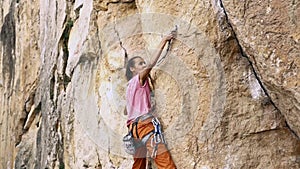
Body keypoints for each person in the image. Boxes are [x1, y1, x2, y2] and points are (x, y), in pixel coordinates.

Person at [125, 33, 177, 169]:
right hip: (145, 126)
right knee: (164, 163)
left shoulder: (129, 86)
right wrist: (164, 41)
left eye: (143, 62)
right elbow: (151, 64)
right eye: (140, 64)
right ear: (132, 69)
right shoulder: (138, 80)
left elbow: (127, 110)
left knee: (138, 166)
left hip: (133, 130)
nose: (143, 65)